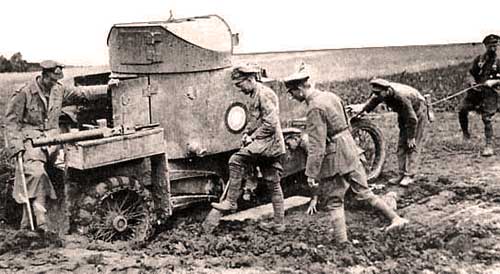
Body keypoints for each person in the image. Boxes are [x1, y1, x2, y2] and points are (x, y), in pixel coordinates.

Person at [283, 67, 408, 244]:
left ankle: (341, 243)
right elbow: (347, 124)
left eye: (292, 93)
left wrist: (311, 174)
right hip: (350, 148)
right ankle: (396, 219)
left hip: (334, 156)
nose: (292, 97)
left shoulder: (314, 108)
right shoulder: (331, 96)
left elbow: (317, 146)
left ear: (300, 89)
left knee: (334, 200)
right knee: (364, 192)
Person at [4, 60, 91, 232]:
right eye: (51, 80)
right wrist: (16, 148)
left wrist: (111, 87)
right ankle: (41, 219)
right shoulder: (25, 93)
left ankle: (32, 225)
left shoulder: (58, 89)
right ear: (43, 76)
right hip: (31, 141)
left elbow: (82, 94)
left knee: (64, 174)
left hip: (52, 143)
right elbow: (11, 122)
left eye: (56, 81)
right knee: (36, 174)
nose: (54, 84)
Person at [211, 64, 287, 231]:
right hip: (266, 143)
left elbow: (271, 124)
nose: (239, 89)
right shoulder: (255, 94)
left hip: (269, 144)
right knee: (273, 183)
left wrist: (252, 137)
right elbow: (253, 120)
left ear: (250, 79)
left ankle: (231, 201)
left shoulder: (265, 94)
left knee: (235, 161)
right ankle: (279, 224)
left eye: (240, 85)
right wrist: (247, 133)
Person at [358, 78, 428, 186]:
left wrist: (411, 136)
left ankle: (409, 175)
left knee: (412, 146)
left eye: (378, 93)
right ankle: (401, 174)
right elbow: (372, 103)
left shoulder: (401, 97)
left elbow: (412, 118)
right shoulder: (381, 94)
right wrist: (363, 111)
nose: (376, 95)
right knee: (401, 145)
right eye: (375, 93)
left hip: (417, 111)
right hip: (404, 114)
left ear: (386, 91)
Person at [459, 34, 500, 157]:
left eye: (495, 45)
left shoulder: (499, 61)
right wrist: (472, 82)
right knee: (462, 109)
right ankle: (466, 134)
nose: (493, 48)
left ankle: (488, 146)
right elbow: (470, 73)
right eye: (490, 45)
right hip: (476, 93)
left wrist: (495, 81)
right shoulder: (480, 60)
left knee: (486, 118)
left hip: (492, 93)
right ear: (485, 46)